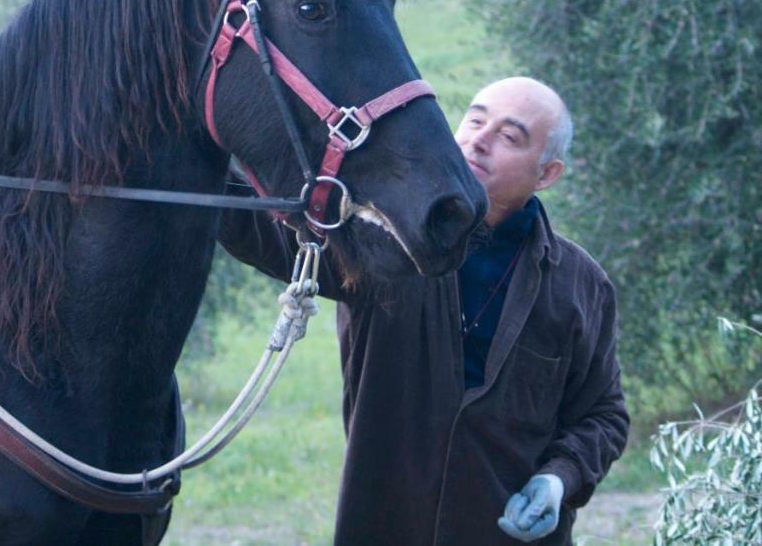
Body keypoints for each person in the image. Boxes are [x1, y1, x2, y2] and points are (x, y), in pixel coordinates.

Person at [220, 77, 628, 544]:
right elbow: (256, 226)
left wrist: (558, 479)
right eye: (474, 120)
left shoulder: (582, 285)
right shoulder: (383, 242)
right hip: (383, 525)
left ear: (547, 174)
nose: (479, 140)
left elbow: (603, 413)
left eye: (509, 136)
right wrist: (197, 153)